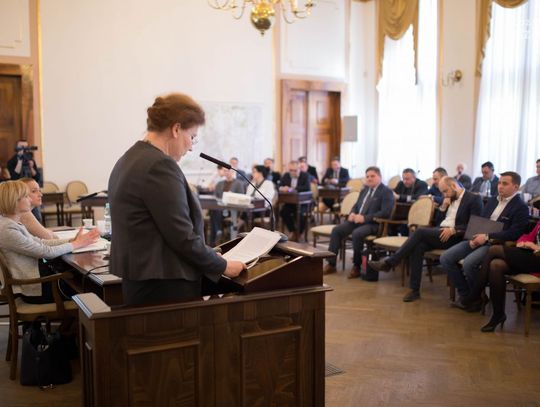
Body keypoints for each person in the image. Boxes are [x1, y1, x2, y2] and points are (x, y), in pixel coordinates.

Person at [108, 93, 245, 305]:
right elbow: (181, 236)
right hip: (164, 286)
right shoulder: (159, 165)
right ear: (176, 129)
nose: (191, 146)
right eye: (192, 136)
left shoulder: (129, 158)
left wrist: (209, 255)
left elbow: (163, 228)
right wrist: (223, 266)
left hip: (145, 281)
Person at [369, 177, 483, 302]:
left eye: (445, 191)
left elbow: (475, 226)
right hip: (441, 232)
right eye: (442, 192)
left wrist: (454, 230)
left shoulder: (474, 199)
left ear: (454, 186)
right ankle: (414, 290)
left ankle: (391, 262)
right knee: (418, 247)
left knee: (420, 232)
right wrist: (443, 207)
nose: (444, 195)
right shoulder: (449, 198)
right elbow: (439, 221)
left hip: (456, 237)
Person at [0, 180, 99, 304]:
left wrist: (72, 240)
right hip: (35, 288)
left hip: (39, 280)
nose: (29, 199)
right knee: (91, 287)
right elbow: (46, 252)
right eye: (26, 196)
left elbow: (41, 242)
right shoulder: (8, 229)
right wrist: (77, 244)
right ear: (14, 200)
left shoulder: (12, 223)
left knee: (84, 279)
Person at [441, 171, 529, 306]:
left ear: (516, 187)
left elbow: (514, 233)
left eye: (505, 184)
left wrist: (487, 237)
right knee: (446, 258)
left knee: (469, 264)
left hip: (495, 244)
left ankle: (473, 299)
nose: (500, 186)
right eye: (499, 183)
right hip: (478, 238)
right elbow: (481, 221)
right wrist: (473, 236)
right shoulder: (493, 200)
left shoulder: (521, 207)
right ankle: (469, 296)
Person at [462, 221, 540, 332]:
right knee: (496, 265)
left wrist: (534, 246)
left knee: (494, 249)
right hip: (531, 256)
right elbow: (529, 236)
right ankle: (498, 314)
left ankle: (475, 294)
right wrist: (522, 242)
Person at [323, 166, 394, 278]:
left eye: (372, 176)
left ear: (379, 177)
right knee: (337, 230)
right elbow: (356, 206)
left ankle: (356, 266)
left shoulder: (386, 191)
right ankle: (331, 264)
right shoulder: (364, 190)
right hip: (357, 220)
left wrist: (365, 218)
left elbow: (386, 212)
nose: (369, 178)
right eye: (367, 176)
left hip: (374, 224)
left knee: (357, 233)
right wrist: (352, 213)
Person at [208, 166, 245, 246]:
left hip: (232, 210)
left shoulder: (238, 183)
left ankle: (216, 235)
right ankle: (218, 232)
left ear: (233, 172)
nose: (227, 172)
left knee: (214, 213)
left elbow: (241, 198)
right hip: (220, 209)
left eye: (229, 171)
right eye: (225, 171)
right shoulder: (219, 184)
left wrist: (232, 196)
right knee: (214, 211)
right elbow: (215, 197)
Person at [279, 160, 311, 241]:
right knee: (283, 212)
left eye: (295, 170)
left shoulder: (305, 175)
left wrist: (292, 189)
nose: (293, 172)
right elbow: (279, 185)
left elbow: (307, 188)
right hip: (290, 202)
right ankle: (292, 231)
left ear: (299, 169)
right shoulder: (286, 175)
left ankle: (299, 233)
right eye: (291, 170)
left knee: (301, 215)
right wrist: (282, 188)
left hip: (303, 202)